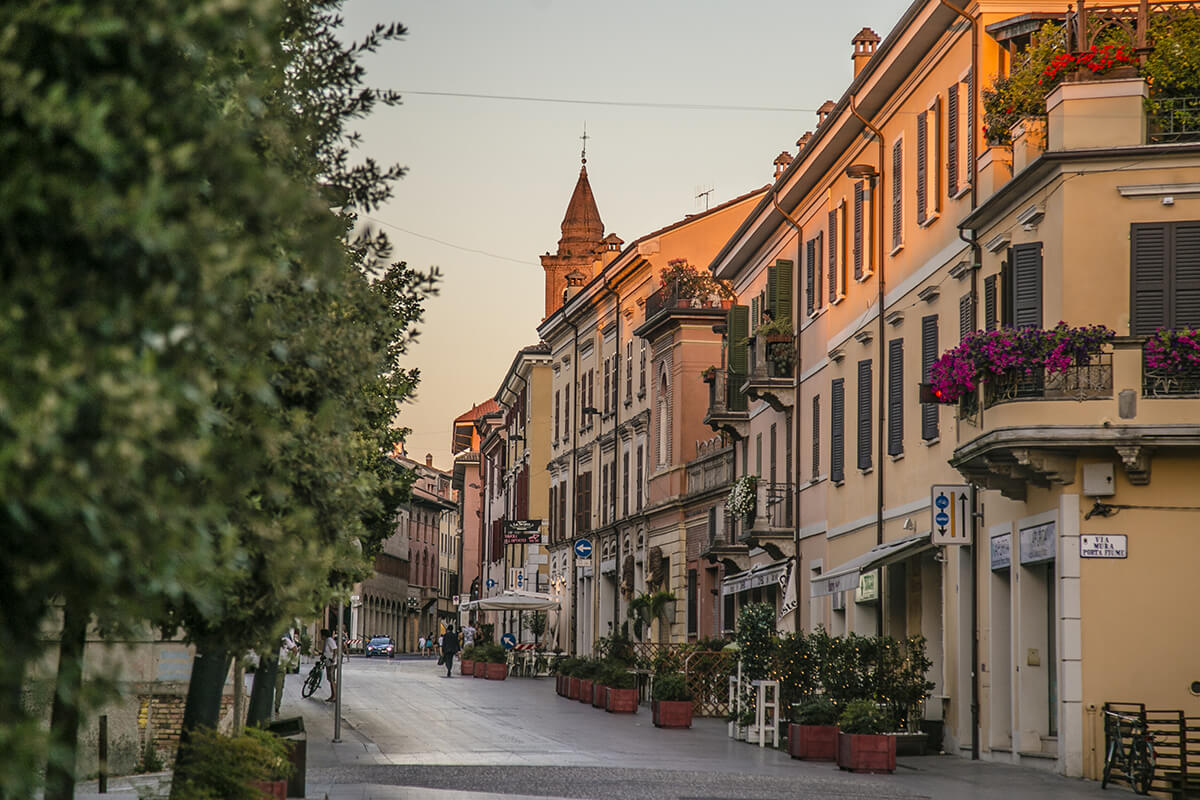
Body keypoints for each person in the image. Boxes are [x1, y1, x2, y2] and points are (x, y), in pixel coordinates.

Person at [275, 628, 299, 715]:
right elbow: (295, 650)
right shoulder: (285, 640)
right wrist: (288, 658)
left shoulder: (270, 640)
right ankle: (276, 707)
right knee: (279, 688)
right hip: (281, 666)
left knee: (267, 687)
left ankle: (270, 706)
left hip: (271, 665)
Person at [321, 628, 338, 703]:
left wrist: (333, 658)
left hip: (331, 663)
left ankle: (335, 696)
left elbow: (335, 649)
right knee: (330, 679)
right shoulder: (326, 641)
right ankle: (332, 695)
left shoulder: (330, 640)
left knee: (332, 679)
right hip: (328, 662)